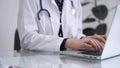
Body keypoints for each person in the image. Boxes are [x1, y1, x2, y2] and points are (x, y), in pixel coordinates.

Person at [17, 0, 106, 52]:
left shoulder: (74, 1)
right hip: (36, 62)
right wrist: (65, 43)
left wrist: (83, 40)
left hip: (67, 62)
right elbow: (27, 39)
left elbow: (76, 32)